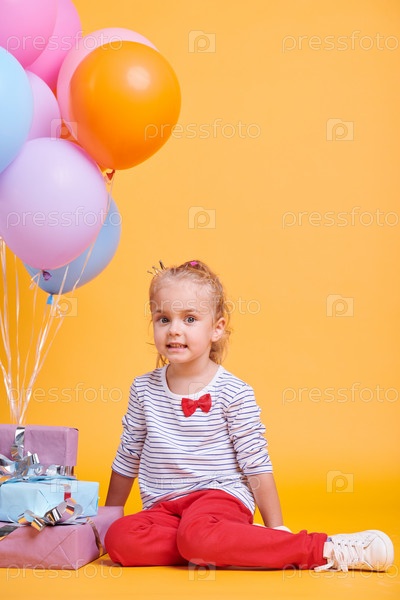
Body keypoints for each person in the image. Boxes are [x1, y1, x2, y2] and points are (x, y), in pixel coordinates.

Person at [104, 259, 394, 572]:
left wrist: (276, 528)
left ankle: (323, 549)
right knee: (120, 539)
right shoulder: (143, 389)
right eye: (163, 318)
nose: (174, 329)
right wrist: (108, 516)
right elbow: (128, 454)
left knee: (198, 535)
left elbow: (256, 465)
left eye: (189, 319)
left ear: (217, 328)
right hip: (165, 507)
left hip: (219, 498)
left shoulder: (233, 392)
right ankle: (231, 543)